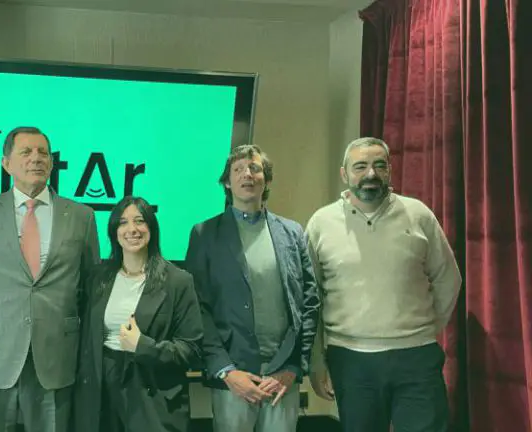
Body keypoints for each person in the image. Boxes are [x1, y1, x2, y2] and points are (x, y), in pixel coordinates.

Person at [306, 137, 462, 432]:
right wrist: (316, 361)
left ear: (390, 170)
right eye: (360, 166)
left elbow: (448, 278)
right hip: (350, 360)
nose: (371, 174)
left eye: (379, 165)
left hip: (416, 358)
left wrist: (424, 328)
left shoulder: (418, 214)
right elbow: (310, 298)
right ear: (344, 173)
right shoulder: (321, 223)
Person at [0, 126, 100, 432]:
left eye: (43, 152)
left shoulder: (81, 216)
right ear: (6, 163)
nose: (36, 158)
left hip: (55, 357)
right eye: (26, 152)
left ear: (52, 162)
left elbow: (89, 286)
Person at [185, 144, 320, 432]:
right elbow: (197, 308)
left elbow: (309, 303)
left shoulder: (292, 232)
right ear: (227, 182)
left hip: (282, 377)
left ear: (266, 180)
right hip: (233, 378)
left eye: (254, 168)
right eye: (238, 169)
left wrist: (294, 367)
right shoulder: (204, 234)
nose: (247, 174)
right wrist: (225, 371)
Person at [73, 196, 204, 432]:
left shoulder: (178, 281)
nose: (131, 229)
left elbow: (192, 349)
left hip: (150, 393)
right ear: (114, 232)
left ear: (151, 228)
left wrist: (143, 346)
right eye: (123, 222)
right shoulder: (98, 277)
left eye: (139, 221)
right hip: (100, 390)